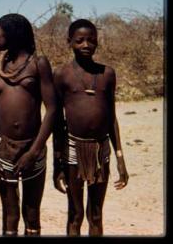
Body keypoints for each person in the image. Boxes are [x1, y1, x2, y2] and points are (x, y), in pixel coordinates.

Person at [52, 19, 129, 236]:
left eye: (91, 40)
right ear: (69, 42)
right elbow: (57, 122)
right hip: (73, 149)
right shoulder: (61, 74)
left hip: (100, 150)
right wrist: (57, 164)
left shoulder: (107, 74)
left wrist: (120, 158)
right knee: (75, 214)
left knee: (95, 214)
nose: (86, 45)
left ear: (97, 43)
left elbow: (111, 118)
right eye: (80, 41)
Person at [0, 13, 57, 236]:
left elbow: (53, 109)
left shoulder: (39, 64)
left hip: (33, 147)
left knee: (32, 213)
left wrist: (35, 150)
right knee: (9, 213)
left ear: (11, 35)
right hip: (5, 148)